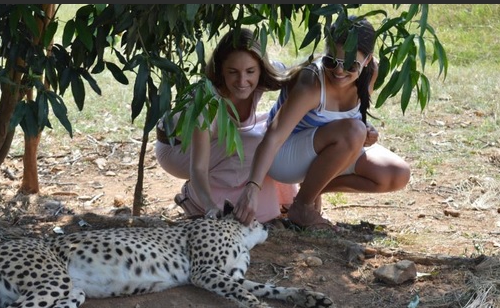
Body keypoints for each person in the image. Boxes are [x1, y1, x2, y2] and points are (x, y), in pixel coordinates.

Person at [233, 16, 411, 230]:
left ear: (367, 60)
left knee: (396, 174)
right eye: (330, 60)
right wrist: (253, 187)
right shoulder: (312, 83)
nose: (338, 70)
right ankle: (302, 206)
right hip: (284, 157)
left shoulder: (371, 71)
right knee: (354, 131)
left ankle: (312, 189)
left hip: (324, 151)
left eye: (350, 65)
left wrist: (367, 131)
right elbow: (274, 136)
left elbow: (351, 120)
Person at [155, 28, 298, 223]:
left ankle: (286, 202)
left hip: (217, 139)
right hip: (178, 151)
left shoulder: (266, 76)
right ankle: (195, 200)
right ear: (221, 70)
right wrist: (208, 207)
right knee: (257, 143)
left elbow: (304, 77)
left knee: (275, 131)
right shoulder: (207, 103)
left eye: (250, 71)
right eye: (233, 72)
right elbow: (198, 168)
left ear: (261, 68)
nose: (242, 81)